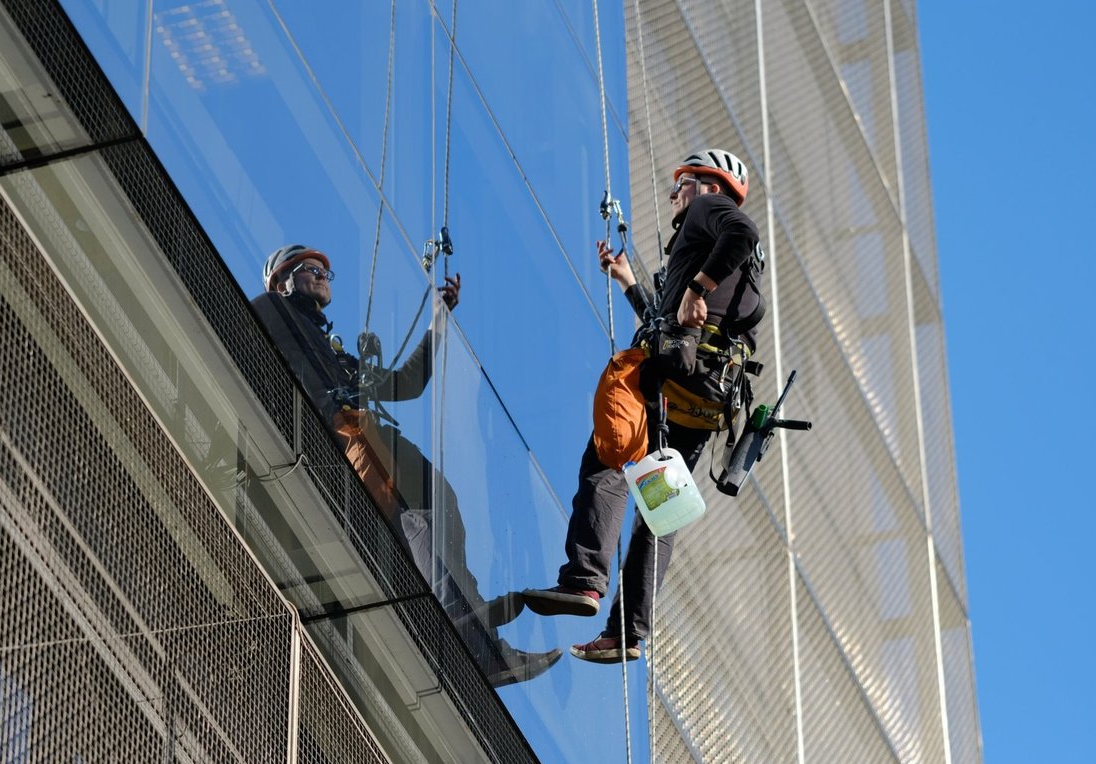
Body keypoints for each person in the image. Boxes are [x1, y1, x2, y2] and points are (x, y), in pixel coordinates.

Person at [251, 244, 561, 686]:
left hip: (368, 431)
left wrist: (438, 320)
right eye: (310, 268)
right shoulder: (269, 311)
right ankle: (474, 639)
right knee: (414, 523)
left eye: (325, 268)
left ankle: (468, 609)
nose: (322, 273)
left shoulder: (334, 352)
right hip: (341, 435)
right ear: (282, 282)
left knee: (441, 501)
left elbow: (407, 384)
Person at [523, 148, 765, 664]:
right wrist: (630, 282)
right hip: (702, 399)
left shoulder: (708, 213)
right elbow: (666, 317)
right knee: (662, 510)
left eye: (681, 183)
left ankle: (585, 580)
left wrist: (698, 286)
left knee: (608, 457)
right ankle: (627, 632)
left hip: (668, 376)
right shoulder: (711, 251)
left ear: (708, 185)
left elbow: (741, 235)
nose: (675, 193)